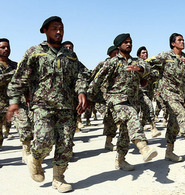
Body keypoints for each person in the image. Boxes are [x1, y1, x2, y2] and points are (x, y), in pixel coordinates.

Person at [6, 16, 89, 193]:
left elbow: (80, 76)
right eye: (54, 28)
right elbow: (19, 79)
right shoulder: (35, 52)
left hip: (66, 106)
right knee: (44, 140)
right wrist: (14, 102)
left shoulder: (70, 55)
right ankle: (35, 159)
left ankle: (58, 178)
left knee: (66, 144)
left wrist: (81, 91)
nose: (59, 32)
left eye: (61, 28)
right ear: (45, 30)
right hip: (42, 105)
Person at [88, 33, 158, 171]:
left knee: (125, 132)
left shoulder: (137, 61)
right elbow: (98, 79)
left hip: (132, 100)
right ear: (119, 46)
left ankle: (120, 160)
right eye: (126, 42)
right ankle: (143, 148)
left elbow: (150, 70)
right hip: (117, 100)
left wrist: (140, 69)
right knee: (132, 115)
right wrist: (88, 97)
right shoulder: (112, 62)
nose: (129, 44)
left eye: (130, 42)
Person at [146, 33, 185, 162]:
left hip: (182, 95)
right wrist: (141, 70)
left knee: (174, 124)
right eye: (179, 40)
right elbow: (148, 63)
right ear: (173, 43)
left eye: (183, 39)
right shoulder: (165, 56)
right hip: (168, 94)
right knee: (181, 114)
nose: (183, 42)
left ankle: (169, 152)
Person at [91, 45, 119, 151]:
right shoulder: (103, 64)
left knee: (111, 120)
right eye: (114, 53)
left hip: (113, 97)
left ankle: (108, 142)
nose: (117, 55)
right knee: (111, 118)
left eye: (118, 52)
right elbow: (92, 77)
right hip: (101, 98)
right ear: (109, 54)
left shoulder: (120, 64)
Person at [137, 46, 161, 138]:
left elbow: (156, 74)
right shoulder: (137, 64)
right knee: (149, 106)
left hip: (149, 90)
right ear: (139, 55)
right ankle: (153, 127)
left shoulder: (149, 64)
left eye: (146, 52)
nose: (145, 54)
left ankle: (140, 132)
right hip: (140, 91)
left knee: (144, 113)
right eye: (143, 53)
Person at [0, 38, 17, 148]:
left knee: (27, 129)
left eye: (8, 47)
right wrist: (12, 74)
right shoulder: (15, 69)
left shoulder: (15, 65)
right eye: (3, 47)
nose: (6, 49)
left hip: (12, 103)